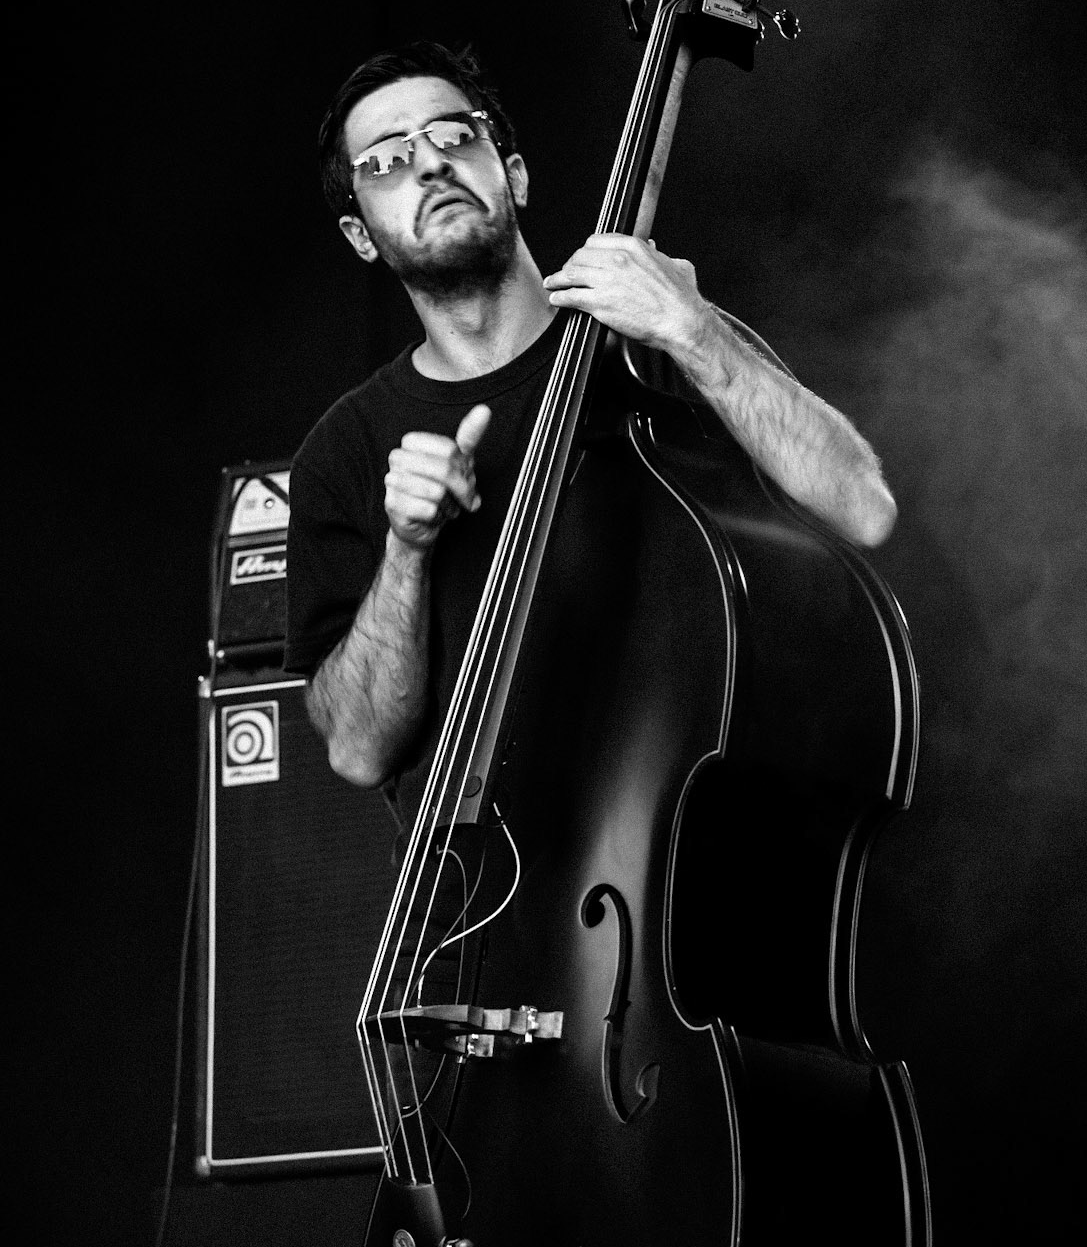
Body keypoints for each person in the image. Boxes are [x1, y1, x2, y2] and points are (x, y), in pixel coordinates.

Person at [285, 39, 897, 795]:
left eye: (454, 134)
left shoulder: (657, 333)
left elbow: (861, 507)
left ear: (513, 175)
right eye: (384, 160)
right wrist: (407, 552)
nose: (430, 164)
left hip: (688, 848)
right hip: (474, 899)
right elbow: (356, 752)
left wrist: (695, 329)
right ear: (360, 237)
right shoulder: (342, 451)